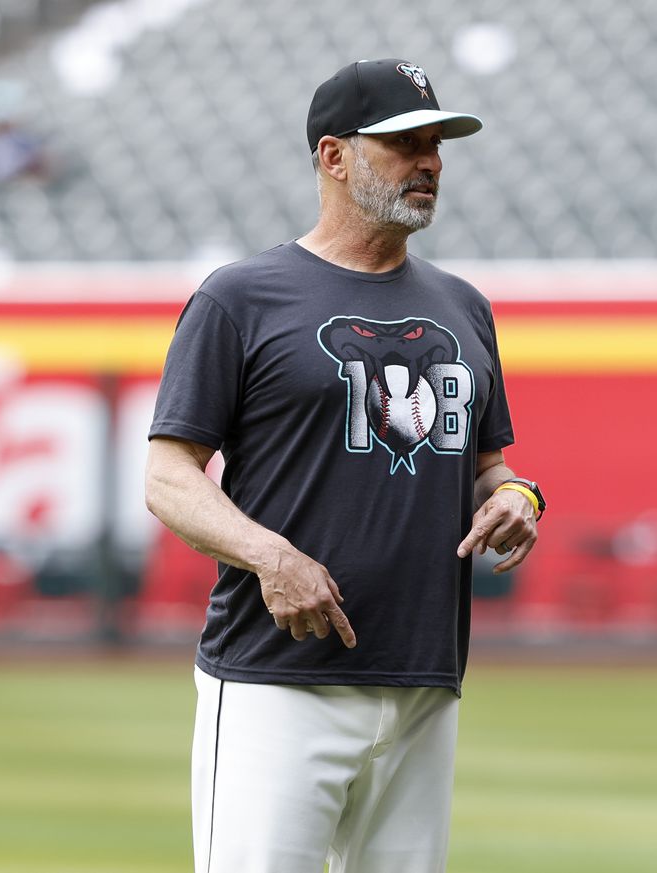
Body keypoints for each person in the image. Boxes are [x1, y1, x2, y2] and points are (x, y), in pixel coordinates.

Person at [144, 58, 546, 873]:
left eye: (437, 142)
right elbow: (167, 475)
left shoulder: (464, 306)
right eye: (404, 142)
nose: (429, 160)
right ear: (333, 156)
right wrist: (269, 555)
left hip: (425, 676)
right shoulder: (241, 297)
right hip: (276, 681)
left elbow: (487, 466)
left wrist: (517, 496)